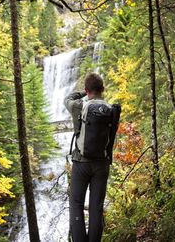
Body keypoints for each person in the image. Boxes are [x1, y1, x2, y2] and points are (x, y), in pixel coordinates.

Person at [64, 73, 115, 242]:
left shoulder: (79, 106)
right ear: (103, 89)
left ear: (87, 90)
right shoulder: (110, 109)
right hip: (102, 164)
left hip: (81, 163)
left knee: (76, 204)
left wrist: (82, 94)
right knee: (96, 208)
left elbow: (67, 99)